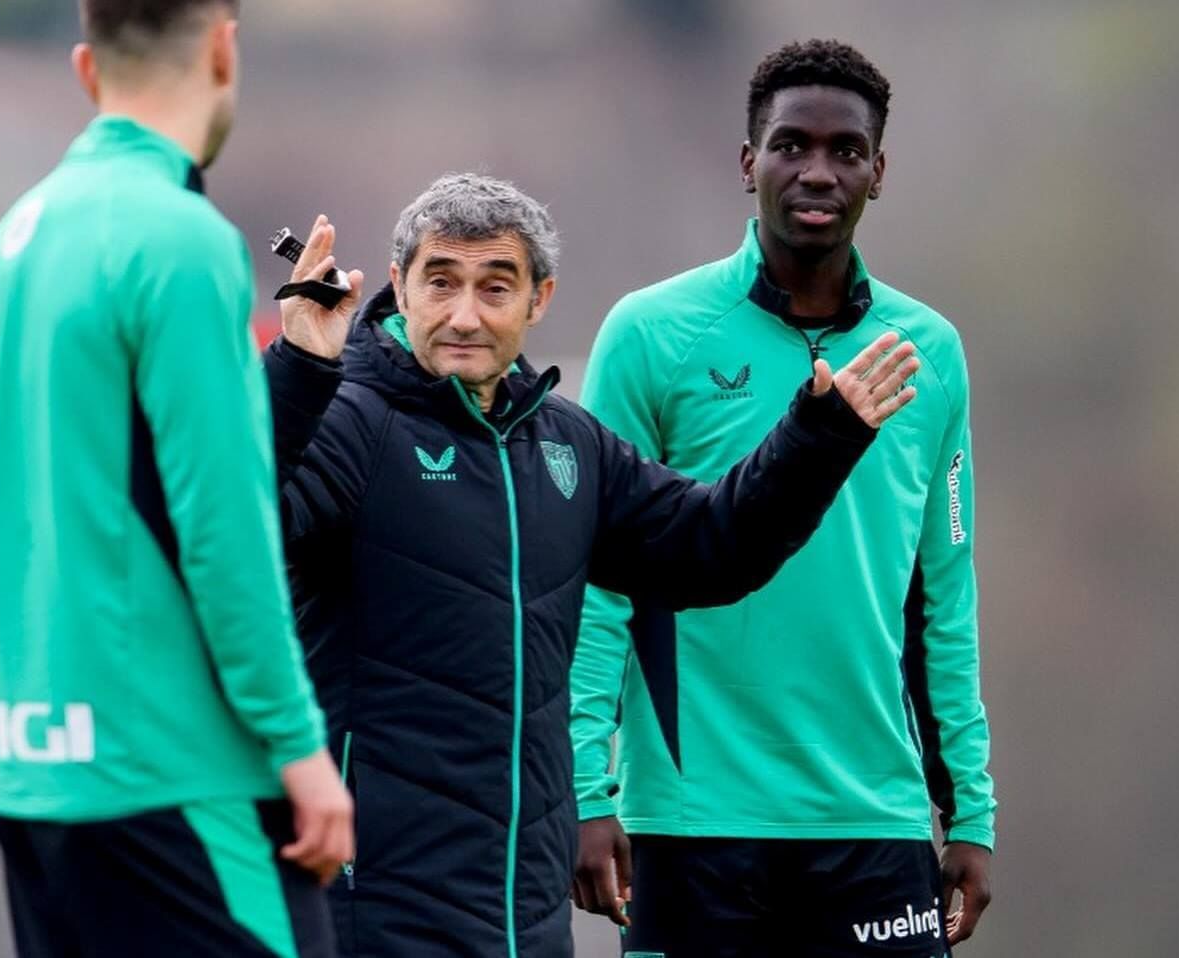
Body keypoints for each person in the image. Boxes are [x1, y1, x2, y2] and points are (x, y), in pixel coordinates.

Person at [263, 173, 918, 958]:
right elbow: (236, 523)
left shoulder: (569, 444)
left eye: (494, 287)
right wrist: (300, 369)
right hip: (373, 913)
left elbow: (712, 549)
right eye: (440, 282)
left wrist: (819, 438)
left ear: (538, 300)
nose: (464, 315)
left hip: (527, 917)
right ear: (400, 286)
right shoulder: (347, 421)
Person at [570, 39, 997, 957]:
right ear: (747, 161)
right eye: (791, 145)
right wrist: (584, 787)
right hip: (691, 818)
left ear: (879, 173)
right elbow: (598, 580)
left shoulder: (929, 352)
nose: (818, 172)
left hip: (873, 817)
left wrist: (970, 811)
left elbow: (944, 597)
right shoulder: (652, 334)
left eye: (847, 151)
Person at [0, 2, 352, 955]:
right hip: (172, 773)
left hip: (34, 777)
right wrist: (299, 747)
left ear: (87, 69)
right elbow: (223, 530)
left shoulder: (2, 249)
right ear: (223, 46)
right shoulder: (180, 239)